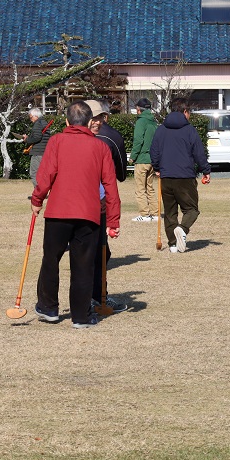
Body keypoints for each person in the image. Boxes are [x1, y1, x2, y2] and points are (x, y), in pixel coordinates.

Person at [31, 101, 120, 328]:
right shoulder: (100, 147)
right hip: (88, 215)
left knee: (50, 259)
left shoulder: (56, 141)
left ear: (67, 121)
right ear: (91, 122)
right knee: (83, 265)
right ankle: (80, 316)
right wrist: (113, 220)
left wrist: (37, 199)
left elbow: (45, 175)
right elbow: (111, 185)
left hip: (58, 212)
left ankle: (48, 307)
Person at [150, 98, 211, 253]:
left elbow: (154, 151)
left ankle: (172, 245)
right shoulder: (189, 129)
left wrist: (157, 167)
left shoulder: (161, 129)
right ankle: (182, 229)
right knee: (191, 209)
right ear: (185, 111)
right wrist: (205, 170)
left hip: (166, 176)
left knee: (170, 212)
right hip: (185, 176)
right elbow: (198, 152)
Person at [85, 100, 128, 313]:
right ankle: (95, 297)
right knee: (99, 252)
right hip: (96, 203)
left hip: (72, 203)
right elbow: (119, 175)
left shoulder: (64, 137)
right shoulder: (111, 137)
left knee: (91, 252)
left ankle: (92, 297)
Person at [129, 97, 158, 222]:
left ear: (138, 109)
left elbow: (138, 141)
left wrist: (132, 157)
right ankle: (155, 213)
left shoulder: (141, 122)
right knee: (150, 188)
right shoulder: (153, 121)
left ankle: (145, 215)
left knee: (140, 189)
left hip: (141, 159)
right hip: (152, 159)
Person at [12, 108, 52, 191]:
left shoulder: (38, 124)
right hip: (45, 151)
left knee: (34, 173)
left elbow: (37, 137)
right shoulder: (44, 122)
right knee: (44, 174)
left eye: (31, 117)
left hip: (38, 152)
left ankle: (39, 192)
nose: (30, 119)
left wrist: (27, 139)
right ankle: (45, 191)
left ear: (36, 116)